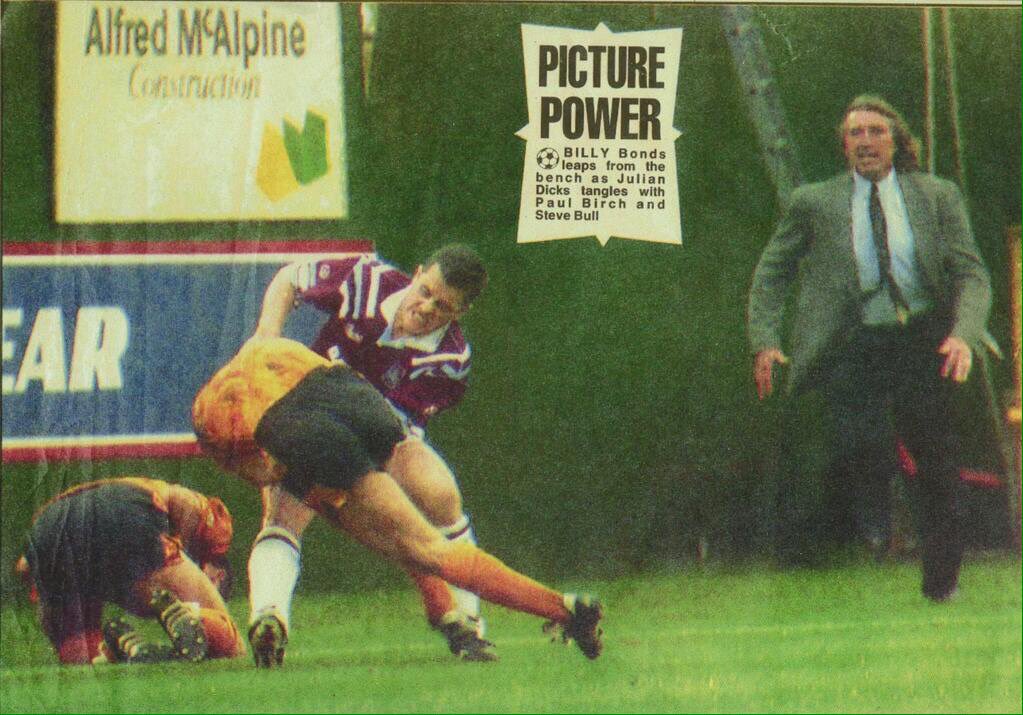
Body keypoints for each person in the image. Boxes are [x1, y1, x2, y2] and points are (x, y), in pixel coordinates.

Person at [192, 336, 604, 667]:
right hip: (353, 395)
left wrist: (319, 492)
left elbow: (268, 470)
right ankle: (454, 619)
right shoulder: (274, 351)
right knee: (408, 532)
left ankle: (563, 609)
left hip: (295, 426)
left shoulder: (215, 415)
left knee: (401, 541)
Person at [747, 95, 992, 601]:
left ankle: (942, 581)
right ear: (843, 146)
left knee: (937, 461)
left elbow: (972, 274)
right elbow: (772, 271)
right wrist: (765, 340)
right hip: (855, 340)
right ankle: (873, 523)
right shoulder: (814, 202)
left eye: (875, 131)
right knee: (861, 441)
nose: (865, 141)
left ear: (896, 141)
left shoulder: (936, 196)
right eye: (855, 133)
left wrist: (963, 335)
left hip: (923, 336)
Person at [244, 244, 494, 661]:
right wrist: (266, 337)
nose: (426, 308)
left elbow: (393, 431)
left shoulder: (450, 358)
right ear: (417, 273)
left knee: (439, 493)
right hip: (310, 420)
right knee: (284, 514)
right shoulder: (366, 280)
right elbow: (290, 278)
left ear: (461, 312)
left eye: (443, 307)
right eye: (425, 291)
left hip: (378, 435)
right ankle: (269, 618)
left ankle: (468, 622)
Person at [15, 477, 245, 664]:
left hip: (48, 526)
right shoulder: (200, 516)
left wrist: (49, 588)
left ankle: (120, 650)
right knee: (232, 645)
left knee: (82, 659)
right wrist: (179, 553)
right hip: (124, 512)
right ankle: (191, 612)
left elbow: (23, 567)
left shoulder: (115, 488)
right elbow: (187, 502)